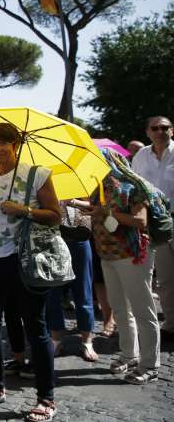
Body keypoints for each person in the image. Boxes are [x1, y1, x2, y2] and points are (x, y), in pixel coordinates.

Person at [0, 122, 60, 422]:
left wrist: (25, 211)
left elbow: (56, 216)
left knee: (35, 327)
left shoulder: (37, 174)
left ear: (16, 144)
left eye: (3, 142)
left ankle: (46, 398)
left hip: (27, 259)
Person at [79, 148, 160, 384]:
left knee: (143, 310)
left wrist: (106, 211)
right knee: (120, 307)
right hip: (108, 255)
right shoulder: (99, 188)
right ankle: (129, 355)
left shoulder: (132, 187)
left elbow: (140, 221)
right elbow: (100, 212)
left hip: (132, 255)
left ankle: (150, 364)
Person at [131, 116, 174, 341]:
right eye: (155, 128)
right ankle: (171, 322)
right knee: (164, 277)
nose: (160, 131)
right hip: (151, 221)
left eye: (164, 128)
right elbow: (134, 184)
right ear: (147, 132)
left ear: (172, 130)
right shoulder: (141, 156)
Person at [46, 202, 97, 361]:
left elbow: (93, 205)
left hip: (79, 238)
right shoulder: (45, 181)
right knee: (52, 293)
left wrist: (73, 202)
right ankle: (56, 339)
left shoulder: (84, 180)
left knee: (83, 291)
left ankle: (87, 340)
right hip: (53, 239)